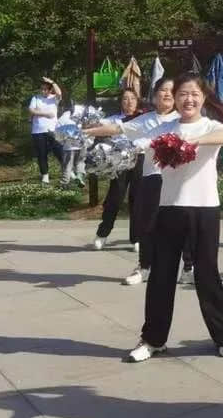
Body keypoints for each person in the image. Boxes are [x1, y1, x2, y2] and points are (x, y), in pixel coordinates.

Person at [126, 73, 223, 362]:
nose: (188, 99)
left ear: (203, 98)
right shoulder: (165, 129)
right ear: (175, 98)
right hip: (169, 209)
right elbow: (132, 139)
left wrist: (194, 142)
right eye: (182, 94)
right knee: (162, 275)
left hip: (204, 209)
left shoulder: (211, 126)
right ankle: (153, 339)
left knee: (207, 273)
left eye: (194, 94)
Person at [84, 77, 179, 286]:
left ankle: (188, 267)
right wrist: (87, 131)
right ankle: (144, 267)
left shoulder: (183, 119)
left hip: (178, 181)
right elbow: (116, 129)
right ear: (154, 95)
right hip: (152, 178)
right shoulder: (145, 120)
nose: (167, 94)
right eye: (163, 90)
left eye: (172, 91)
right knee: (145, 222)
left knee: (182, 225)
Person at [92, 87, 143, 250]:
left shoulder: (144, 118)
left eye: (132, 99)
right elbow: (97, 126)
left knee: (138, 200)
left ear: (137, 101)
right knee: (115, 198)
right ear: (121, 102)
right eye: (125, 99)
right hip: (120, 161)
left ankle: (137, 238)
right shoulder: (113, 120)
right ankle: (103, 233)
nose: (129, 102)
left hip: (140, 159)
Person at [28, 77, 62, 183]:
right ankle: (45, 175)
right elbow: (31, 110)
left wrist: (52, 82)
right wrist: (46, 114)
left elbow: (59, 93)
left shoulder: (54, 98)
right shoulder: (36, 98)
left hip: (52, 130)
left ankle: (69, 171)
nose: (43, 91)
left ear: (50, 90)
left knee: (59, 152)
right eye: (42, 89)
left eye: (46, 89)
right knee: (41, 154)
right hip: (37, 131)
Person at [57, 100, 87, 188]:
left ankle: (64, 183)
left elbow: (58, 132)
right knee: (80, 161)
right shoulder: (80, 113)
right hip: (81, 143)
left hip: (68, 146)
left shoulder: (62, 118)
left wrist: (62, 142)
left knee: (67, 165)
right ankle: (80, 176)